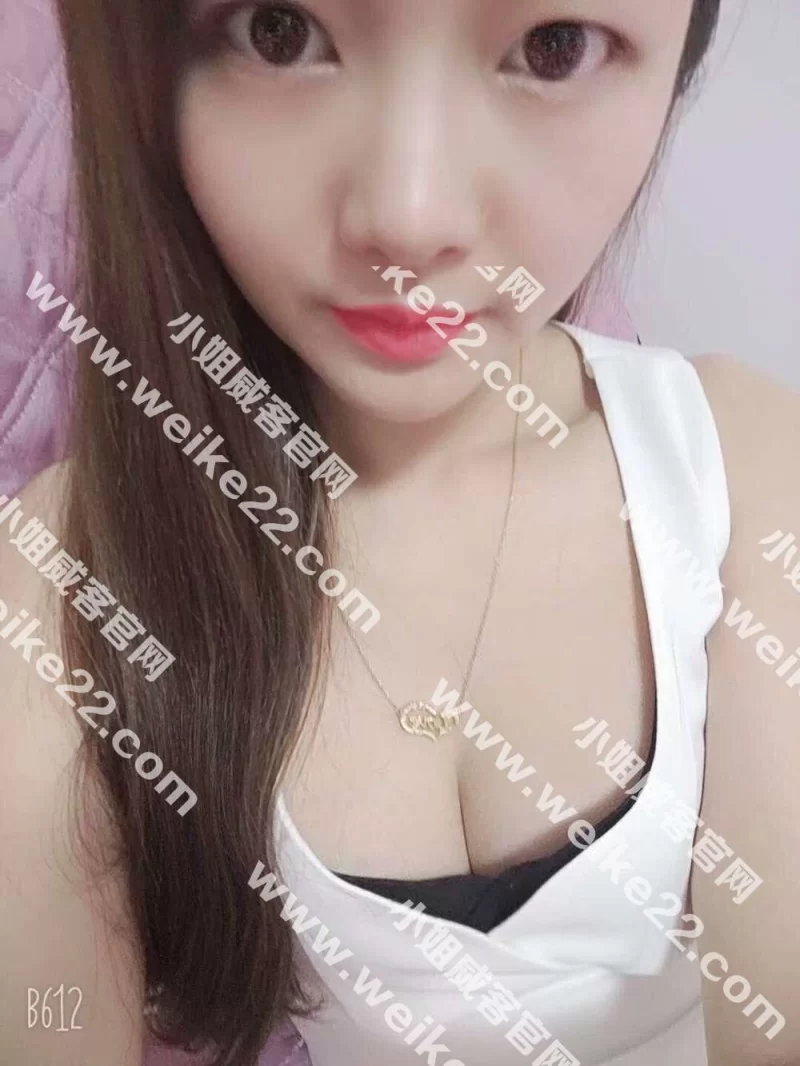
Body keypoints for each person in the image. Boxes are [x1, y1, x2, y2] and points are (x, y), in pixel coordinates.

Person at [1, 1, 798, 1064]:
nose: (409, 217)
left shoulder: (738, 472)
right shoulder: (65, 584)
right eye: (279, 32)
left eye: (552, 48)